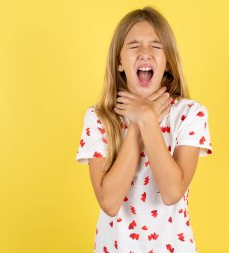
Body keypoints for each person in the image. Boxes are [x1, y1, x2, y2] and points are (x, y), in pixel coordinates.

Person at [76, 6, 213, 253]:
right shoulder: (98, 118)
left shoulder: (191, 114)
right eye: (134, 45)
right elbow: (109, 201)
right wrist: (140, 124)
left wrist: (148, 120)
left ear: (168, 62)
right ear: (119, 62)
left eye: (156, 46)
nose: (145, 53)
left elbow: (172, 192)